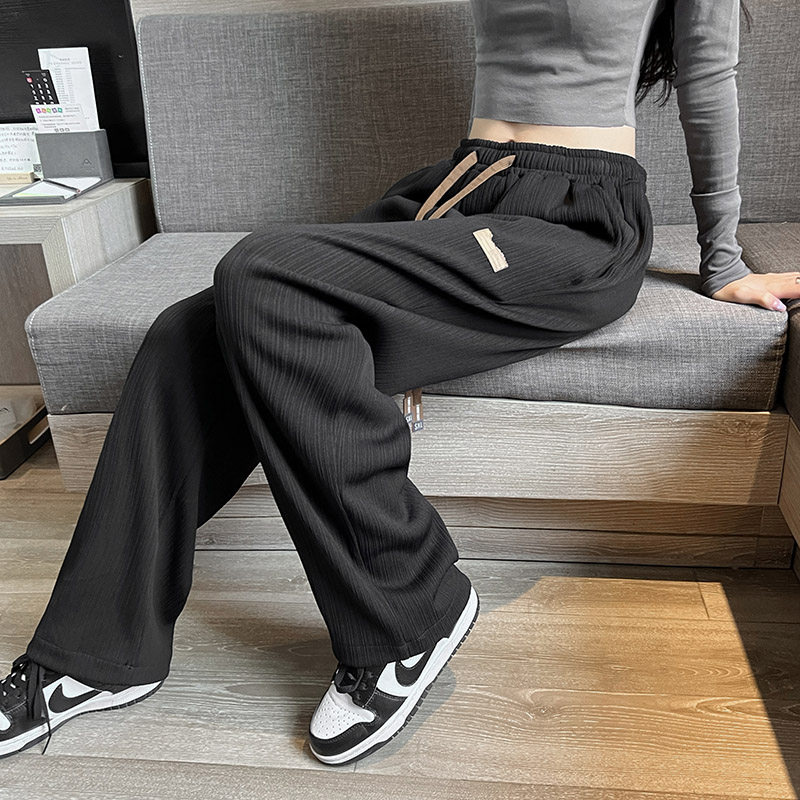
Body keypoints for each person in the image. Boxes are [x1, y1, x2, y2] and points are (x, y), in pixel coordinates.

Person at [2, 0, 799, 767]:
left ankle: (410, 611)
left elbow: (709, 80)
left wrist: (724, 262)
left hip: (574, 219)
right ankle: (95, 652)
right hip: (456, 190)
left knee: (261, 271)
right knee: (184, 334)